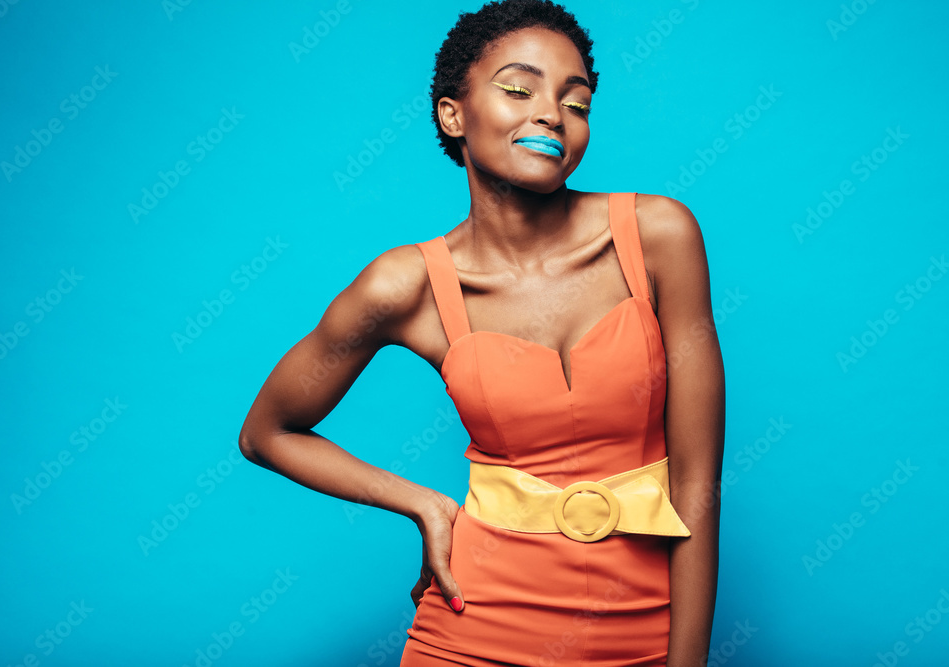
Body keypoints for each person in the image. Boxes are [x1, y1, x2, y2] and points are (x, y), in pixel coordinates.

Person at [238, 0, 725, 664]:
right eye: (519, 89)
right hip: (473, 626)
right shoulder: (405, 285)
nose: (552, 113)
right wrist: (421, 503)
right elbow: (267, 431)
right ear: (453, 114)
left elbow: (696, 478)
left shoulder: (659, 236)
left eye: (575, 101)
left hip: (641, 627)